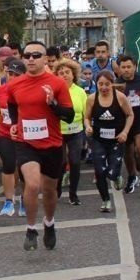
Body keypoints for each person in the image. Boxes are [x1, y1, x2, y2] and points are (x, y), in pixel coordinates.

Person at [7, 40, 74, 251]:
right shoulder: (15, 84)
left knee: (50, 190)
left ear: (46, 59)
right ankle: (30, 228)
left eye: (36, 55)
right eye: (27, 56)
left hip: (52, 144)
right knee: (32, 184)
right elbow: (11, 104)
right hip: (26, 144)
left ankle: (49, 222)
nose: (31, 59)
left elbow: (70, 116)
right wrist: (15, 123)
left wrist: (53, 104)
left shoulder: (57, 84)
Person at [84, 69, 133, 213]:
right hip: (98, 139)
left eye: (107, 84)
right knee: (100, 171)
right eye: (100, 84)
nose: (104, 87)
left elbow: (130, 115)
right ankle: (105, 200)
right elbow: (86, 117)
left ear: (112, 83)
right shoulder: (92, 98)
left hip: (117, 139)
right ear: (96, 84)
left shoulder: (120, 97)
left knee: (111, 171)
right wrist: (88, 127)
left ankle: (116, 176)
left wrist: (125, 132)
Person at [0, 58, 26, 216]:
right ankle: (9, 201)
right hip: (4, 133)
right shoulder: (0, 90)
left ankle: (25, 199)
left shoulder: (29, 91)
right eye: (10, 73)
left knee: (24, 169)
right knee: (9, 164)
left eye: (17, 74)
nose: (12, 77)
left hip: (25, 135)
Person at [116, 55, 140, 195]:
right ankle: (132, 176)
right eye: (123, 67)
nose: (126, 70)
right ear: (119, 69)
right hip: (125, 121)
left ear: (134, 67)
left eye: (129, 67)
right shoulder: (117, 83)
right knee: (128, 152)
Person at [56, 59, 88, 206]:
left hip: (76, 131)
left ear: (73, 74)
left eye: (67, 72)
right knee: (60, 162)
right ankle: (56, 189)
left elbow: (85, 114)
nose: (64, 75)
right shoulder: (54, 91)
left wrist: (87, 131)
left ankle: (73, 194)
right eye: (61, 73)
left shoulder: (80, 92)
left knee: (75, 162)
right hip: (58, 131)